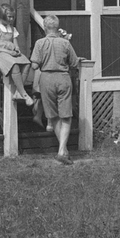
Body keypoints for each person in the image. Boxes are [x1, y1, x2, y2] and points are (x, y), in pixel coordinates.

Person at [30, 14, 80, 164]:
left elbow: (34, 65)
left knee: (53, 116)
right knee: (66, 115)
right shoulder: (65, 43)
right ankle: (62, 150)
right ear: (57, 27)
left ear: (45, 27)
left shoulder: (39, 43)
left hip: (46, 79)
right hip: (63, 78)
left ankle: (62, 150)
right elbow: (74, 63)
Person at [0, 3, 36, 108]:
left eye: (12, 16)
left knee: (26, 63)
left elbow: (15, 44)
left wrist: (17, 50)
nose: (11, 19)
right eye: (9, 16)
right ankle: (24, 94)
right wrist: (9, 52)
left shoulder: (12, 29)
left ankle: (18, 91)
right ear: (2, 15)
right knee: (15, 65)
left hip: (10, 53)